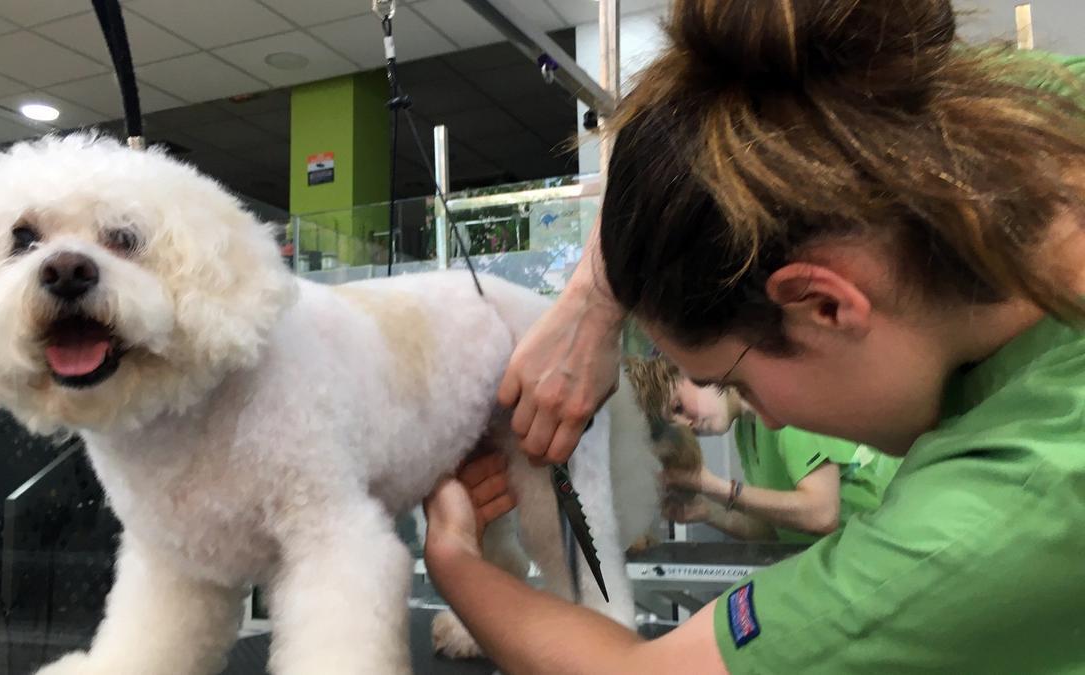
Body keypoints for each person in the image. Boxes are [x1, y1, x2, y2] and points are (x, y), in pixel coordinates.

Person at [421, 0, 1085, 672]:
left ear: (825, 305)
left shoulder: (1014, 496)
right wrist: (592, 302)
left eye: (734, 380)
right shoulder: (1012, 114)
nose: (765, 417)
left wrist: (453, 555)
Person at [664, 378, 900, 542]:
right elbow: (775, 530)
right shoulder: (746, 432)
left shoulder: (786, 407)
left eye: (678, 406)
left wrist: (712, 486)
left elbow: (822, 514)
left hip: (885, 543)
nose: (686, 425)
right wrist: (708, 512)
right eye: (674, 424)